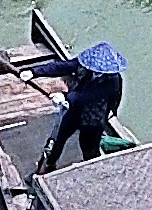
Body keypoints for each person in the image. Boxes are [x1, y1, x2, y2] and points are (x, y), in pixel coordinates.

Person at [34, 40, 127, 173]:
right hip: (74, 113)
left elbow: (88, 96)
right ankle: (49, 165)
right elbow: (62, 66)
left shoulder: (113, 82)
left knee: (90, 150)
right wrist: (34, 72)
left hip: (93, 120)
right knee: (58, 140)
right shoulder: (84, 65)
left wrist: (65, 97)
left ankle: (92, 171)